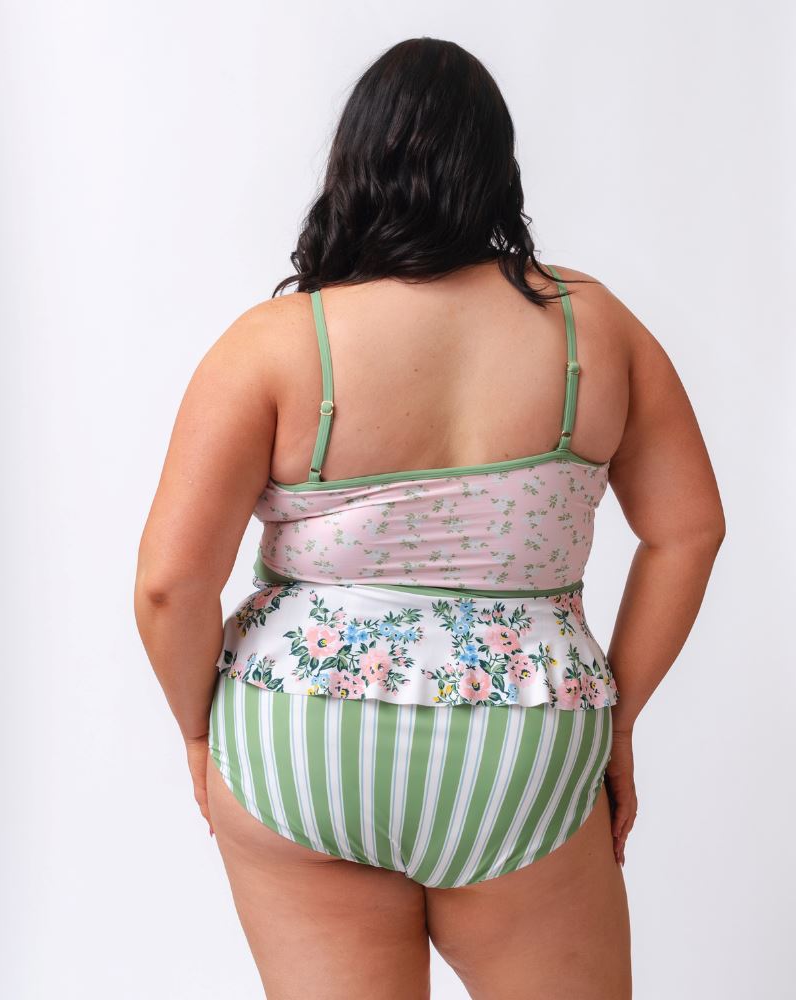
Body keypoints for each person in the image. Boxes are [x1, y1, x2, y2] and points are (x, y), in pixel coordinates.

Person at [134, 36, 725, 1000]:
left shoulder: (275, 346)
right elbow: (689, 531)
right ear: (498, 169)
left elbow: (170, 583)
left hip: (301, 735)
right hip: (529, 734)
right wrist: (618, 720)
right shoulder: (596, 331)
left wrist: (201, 739)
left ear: (352, 167)